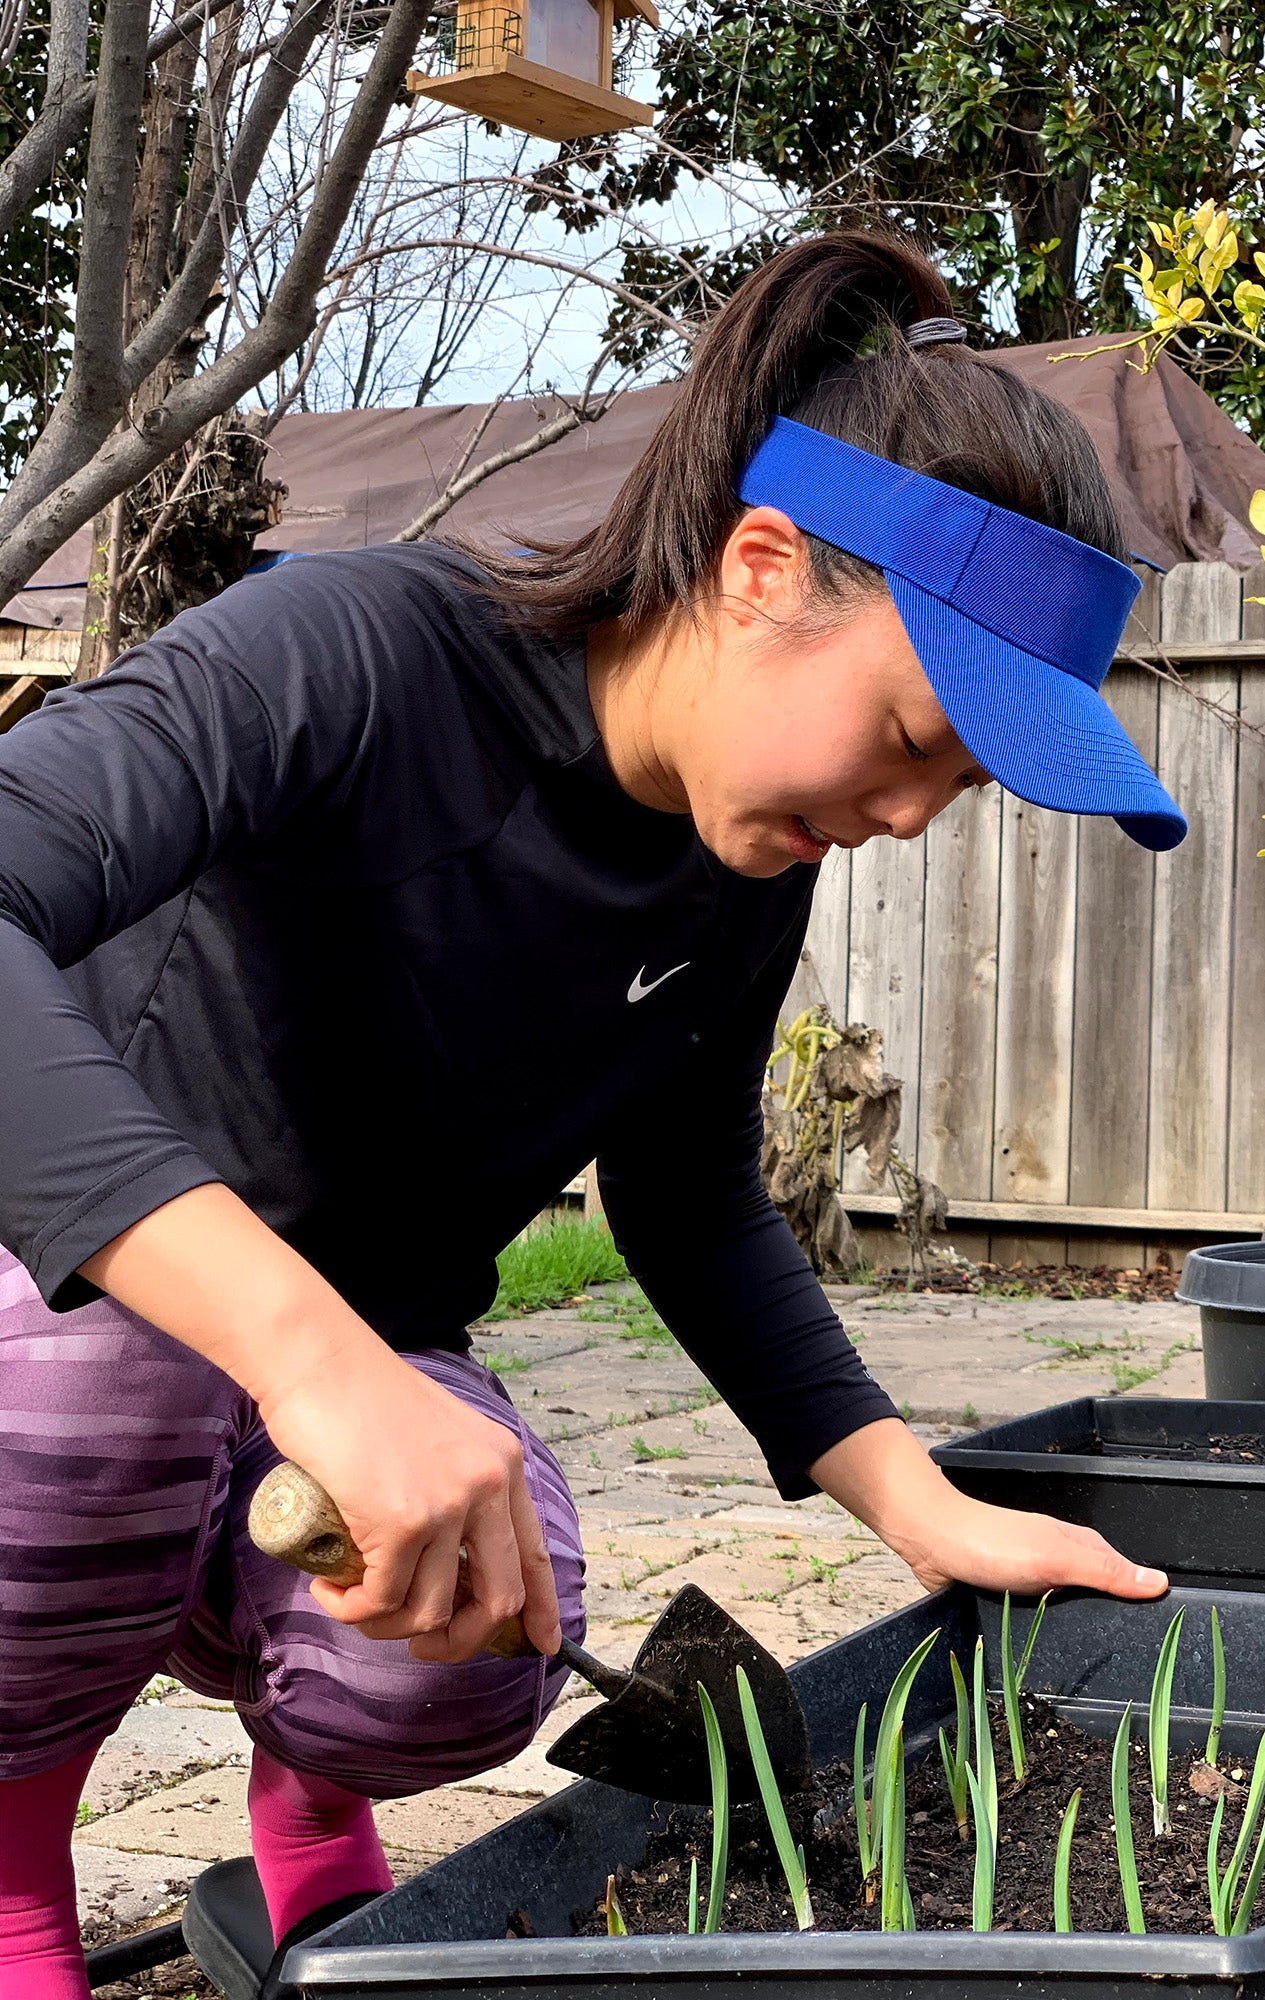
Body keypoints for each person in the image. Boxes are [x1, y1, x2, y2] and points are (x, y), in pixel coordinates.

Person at [0, 232, 1184, 1996]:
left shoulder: (742, 869)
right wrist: (320, 1365)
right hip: (83, 1316)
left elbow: (691, 1200)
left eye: (964, 787)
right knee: (86, 1407)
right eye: (918, 736)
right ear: (763, 570)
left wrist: (917, 1507)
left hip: (357, 1378)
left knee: (484, 1629)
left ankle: (312, 1832)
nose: (919, 818)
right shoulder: (363, 652)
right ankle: (21, 1879)